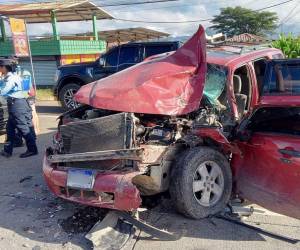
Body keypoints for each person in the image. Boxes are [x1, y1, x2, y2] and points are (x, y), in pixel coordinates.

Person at [0, 58, 38, 158]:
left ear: (4, 67)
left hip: (16, 105)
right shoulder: (15, 76)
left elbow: (3, 91)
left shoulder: (10, 78)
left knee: (23, 128)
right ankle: (8, 151)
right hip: (20, 103)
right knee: (10, 129)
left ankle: (32, 149)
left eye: (0, 67)